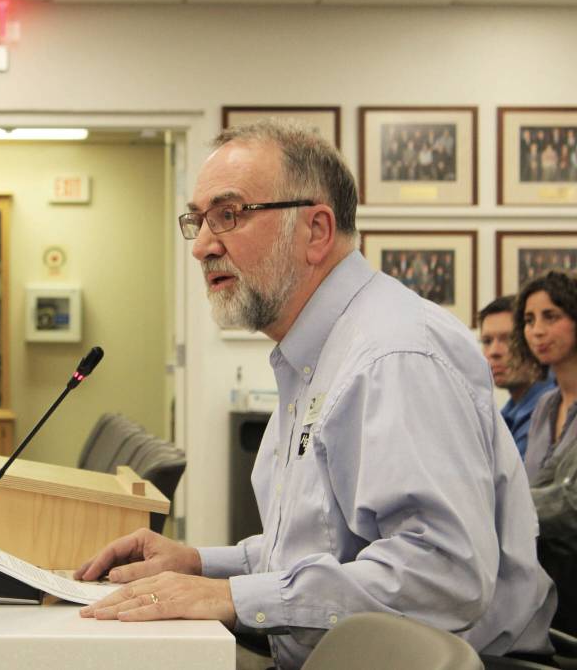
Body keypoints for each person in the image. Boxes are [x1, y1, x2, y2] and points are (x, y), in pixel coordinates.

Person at [74, 119, 555, 670]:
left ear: (317, 231)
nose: (202, 246)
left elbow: (442, 575)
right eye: (198, 220)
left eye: (228, 215)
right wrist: (198, 563)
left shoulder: (393, 355)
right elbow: (322, 554)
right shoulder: (316, 354)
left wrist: (232, 597)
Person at [513, 271, 577, 635]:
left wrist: (500, 504)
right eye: (529, 320)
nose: (536, 330)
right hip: (545, 578)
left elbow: (571, 505)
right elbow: (531, 485)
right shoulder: (544, 406)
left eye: (551, 316)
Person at [478, 295, 555, 459]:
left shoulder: (550, 407)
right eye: (487, 341)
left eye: (508, 339)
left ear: (531, 338)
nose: (494, 352)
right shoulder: (510, 411)